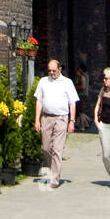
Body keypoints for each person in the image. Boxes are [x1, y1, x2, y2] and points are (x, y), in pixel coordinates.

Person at [33, 58, 79, 188]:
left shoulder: (67, 83)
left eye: (54, 70)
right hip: (47, 118)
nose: (51, 73)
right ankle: (49, 169)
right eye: (49, 71)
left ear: (60, 69)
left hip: (61, 118)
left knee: (57, 149)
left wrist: (72, 121)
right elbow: (39, 101)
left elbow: (72, 103)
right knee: (46, 148)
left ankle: (55, 178)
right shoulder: (43, 82)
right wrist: (37, 119)